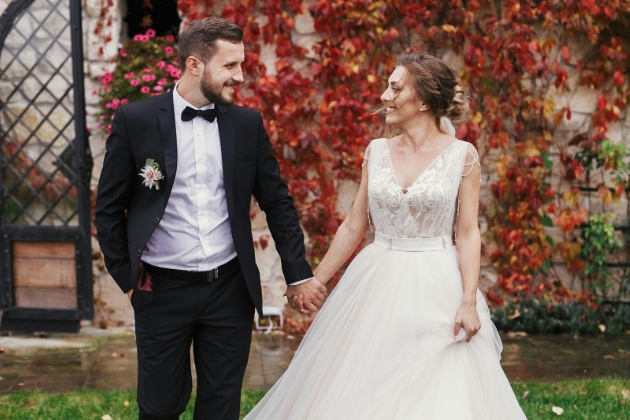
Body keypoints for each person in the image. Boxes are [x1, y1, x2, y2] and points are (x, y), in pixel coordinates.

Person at [246, 52, 527, 419]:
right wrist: (316, 280)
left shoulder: (463, 155)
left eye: (395, 88)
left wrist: (469, 300)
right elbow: (354, 225)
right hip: (375, 281)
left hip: (438, 283)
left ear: (424, 100)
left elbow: (468, 233)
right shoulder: (376, 151)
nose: (383, 95)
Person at [95, 17, 326, 420]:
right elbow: (109, 208)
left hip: (229, 289)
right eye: (230, 66)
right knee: (159, 406)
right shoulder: (136, 121)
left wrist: (297, 272)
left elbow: (278, 203)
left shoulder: (247, 124)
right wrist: (127, 280)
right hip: (160, 290)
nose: (240, 76)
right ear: (194, 65)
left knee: (221, 407)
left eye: (241, 65)